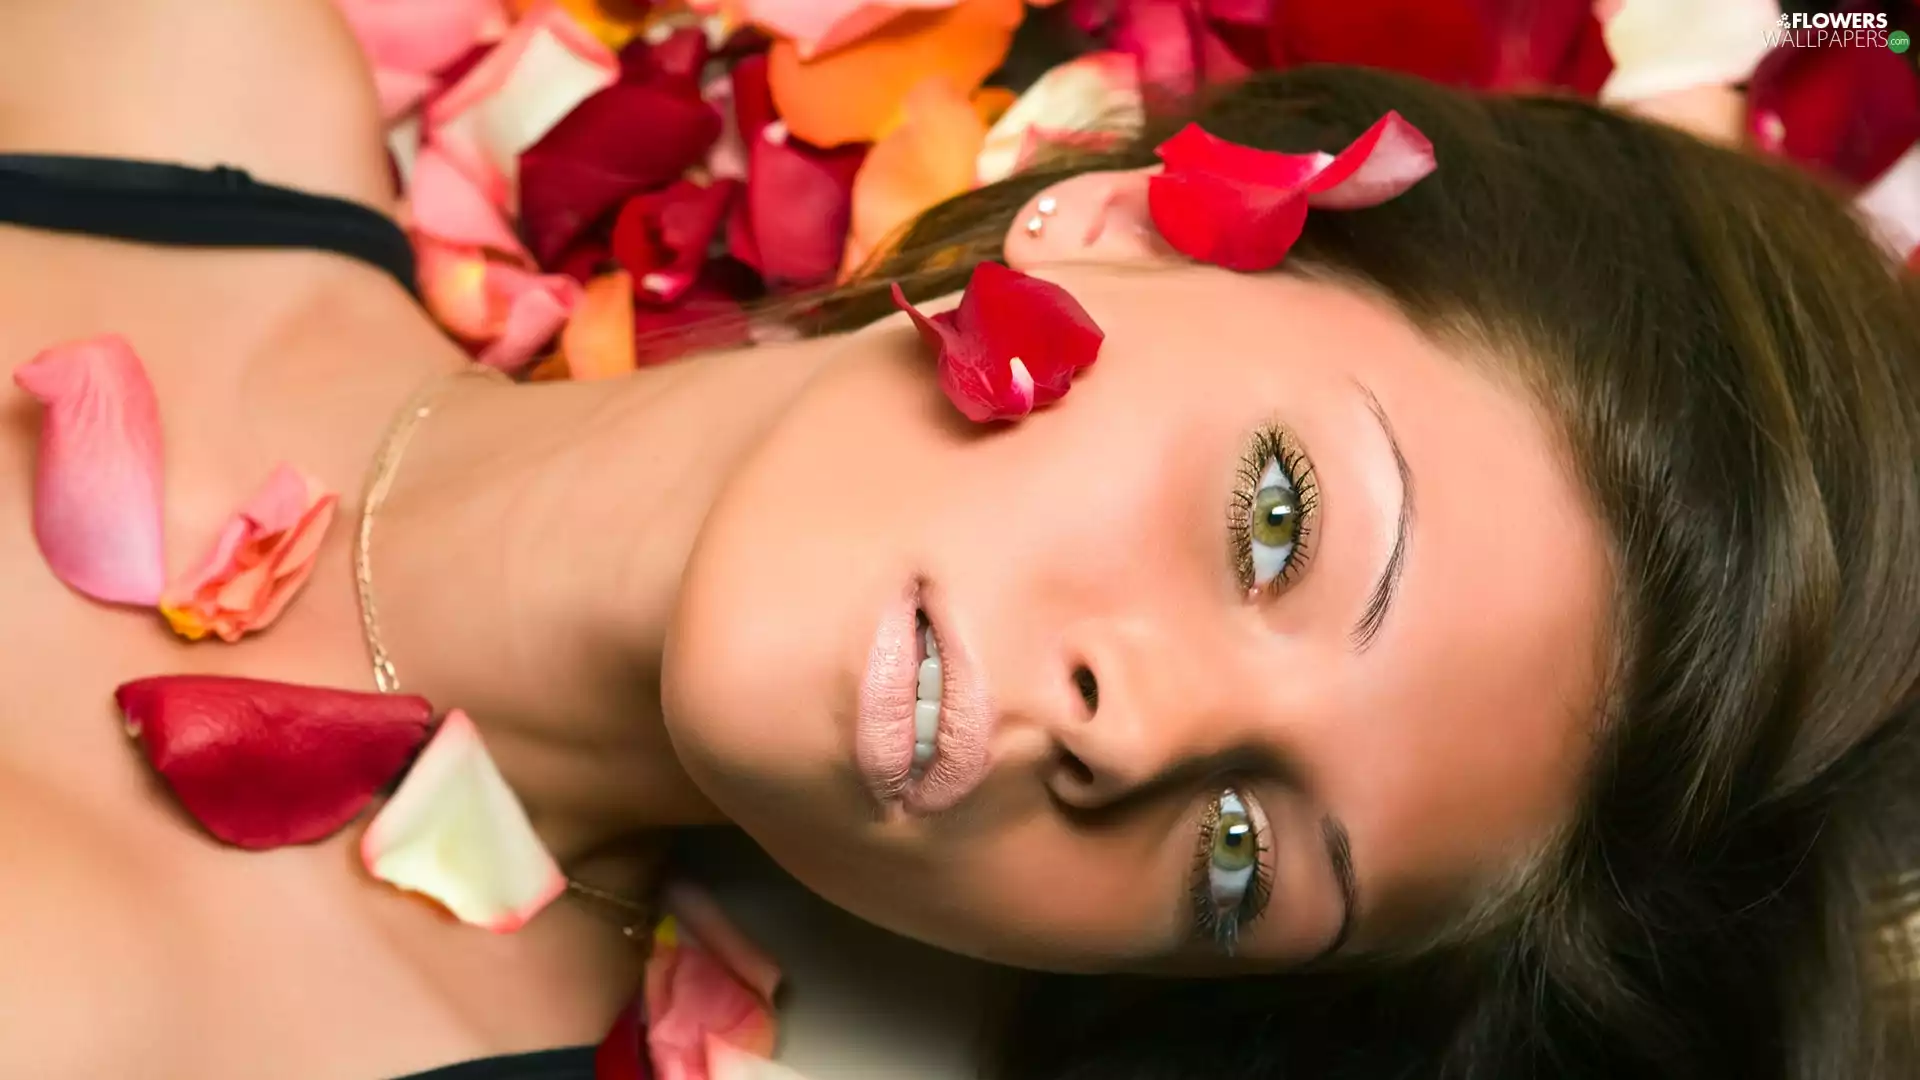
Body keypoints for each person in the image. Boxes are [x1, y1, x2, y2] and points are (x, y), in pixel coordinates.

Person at [0, 1, 1916, 1079]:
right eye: (1277, 521)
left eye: (1242, 860)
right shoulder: (158, 55)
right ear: (1133, 219)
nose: (1138, 731)